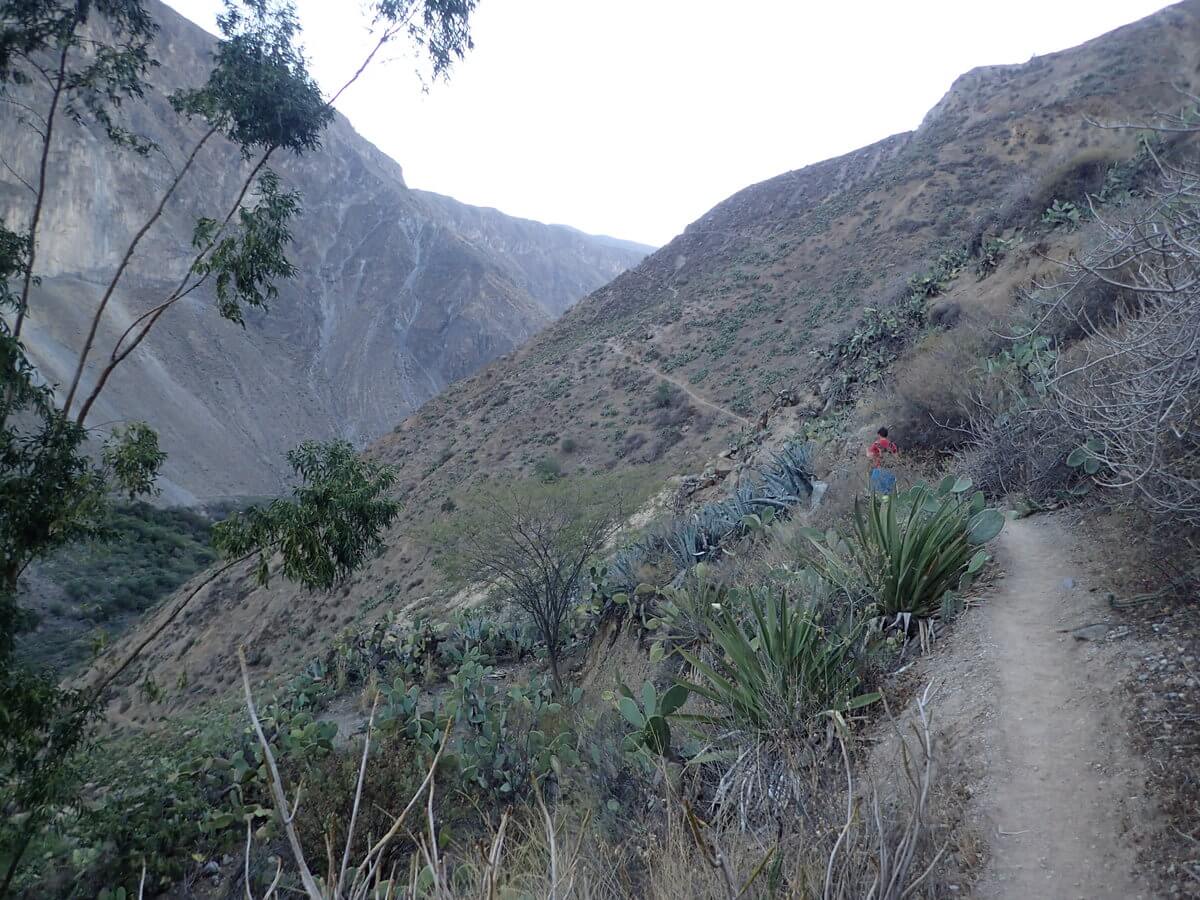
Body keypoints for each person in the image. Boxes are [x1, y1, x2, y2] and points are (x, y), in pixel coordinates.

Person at [867, 427, 899, 495]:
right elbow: (896, 458)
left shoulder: (876, 444)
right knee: (889, 494)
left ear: (879, 434)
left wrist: (867, 451)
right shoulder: (892, 445)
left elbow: (870, 456)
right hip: (890, 471)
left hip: (879, 470)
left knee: (877, 493)